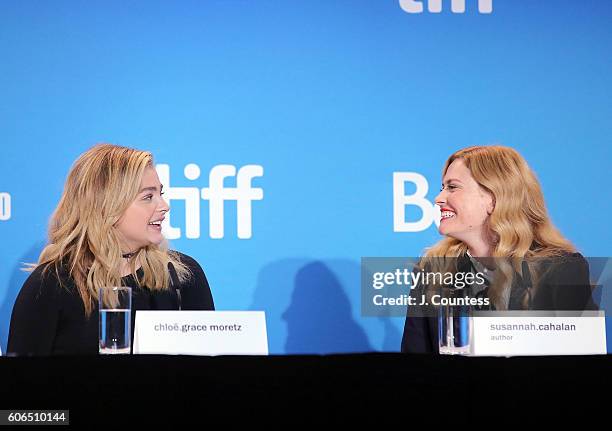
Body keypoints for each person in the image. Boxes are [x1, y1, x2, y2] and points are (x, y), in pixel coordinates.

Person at [8, 144, 215, 355]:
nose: (164, 206)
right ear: (106, 205)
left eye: (160, 193)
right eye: (148, 197)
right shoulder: (52, 284)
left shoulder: (182, 276)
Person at [401, 145, 596, 354]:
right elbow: (414, 362)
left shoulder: (561, 268)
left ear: (493, 198)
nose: (438, 199)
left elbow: (580, 363)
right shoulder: (433, 270)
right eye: (442, 188)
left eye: (453, 187)